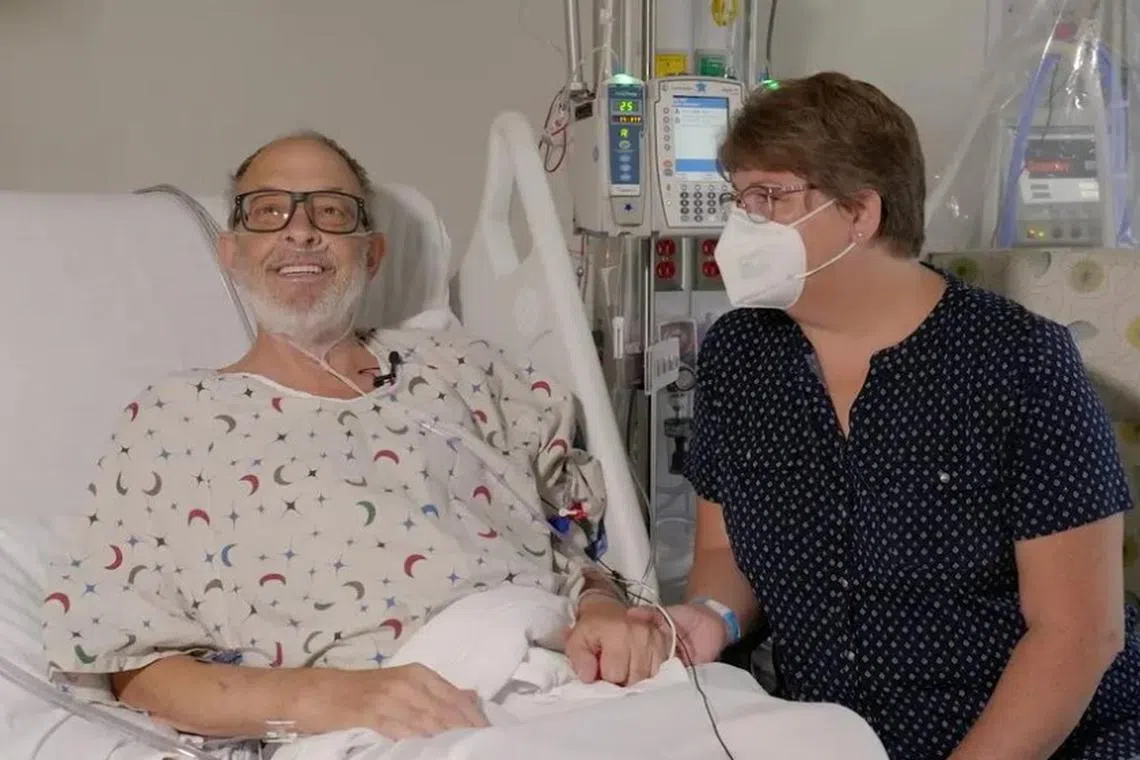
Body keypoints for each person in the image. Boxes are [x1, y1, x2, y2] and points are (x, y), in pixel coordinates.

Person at [39, 131, 671, 742]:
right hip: (391, 726)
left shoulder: (468, 371)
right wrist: (336, 696)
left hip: (577, 677)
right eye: (268, 211)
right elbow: (136, 670)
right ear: (230, 252)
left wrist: (603, 609)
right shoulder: (173, 420)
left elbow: (577, 536)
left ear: (372, 253)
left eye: (332, 211)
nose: (300, 228)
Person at [635, 72, 1140, 759]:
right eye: (738, 198)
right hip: (830, 735)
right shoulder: (739, 355)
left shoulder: (1017, 363)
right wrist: (712, 618)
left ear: (860, 214)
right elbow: (725, 549)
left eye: (768, 198)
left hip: (1044, 736)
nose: (738, 225)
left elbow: (1079, 634)